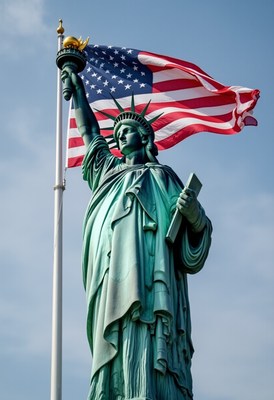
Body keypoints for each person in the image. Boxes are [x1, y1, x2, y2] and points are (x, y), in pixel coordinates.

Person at [61, 65, 212, 400]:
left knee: (150, 335)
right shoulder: (107, 172)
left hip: (155, 282)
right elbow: (89, 134)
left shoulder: (163, 177)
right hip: (113, 276)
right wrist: (79, 92)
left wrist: (193, 214)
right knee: (118, 343)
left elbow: (196, 239)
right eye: (116, 134)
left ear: (144, 137)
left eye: (125, 131)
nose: (118, 137)